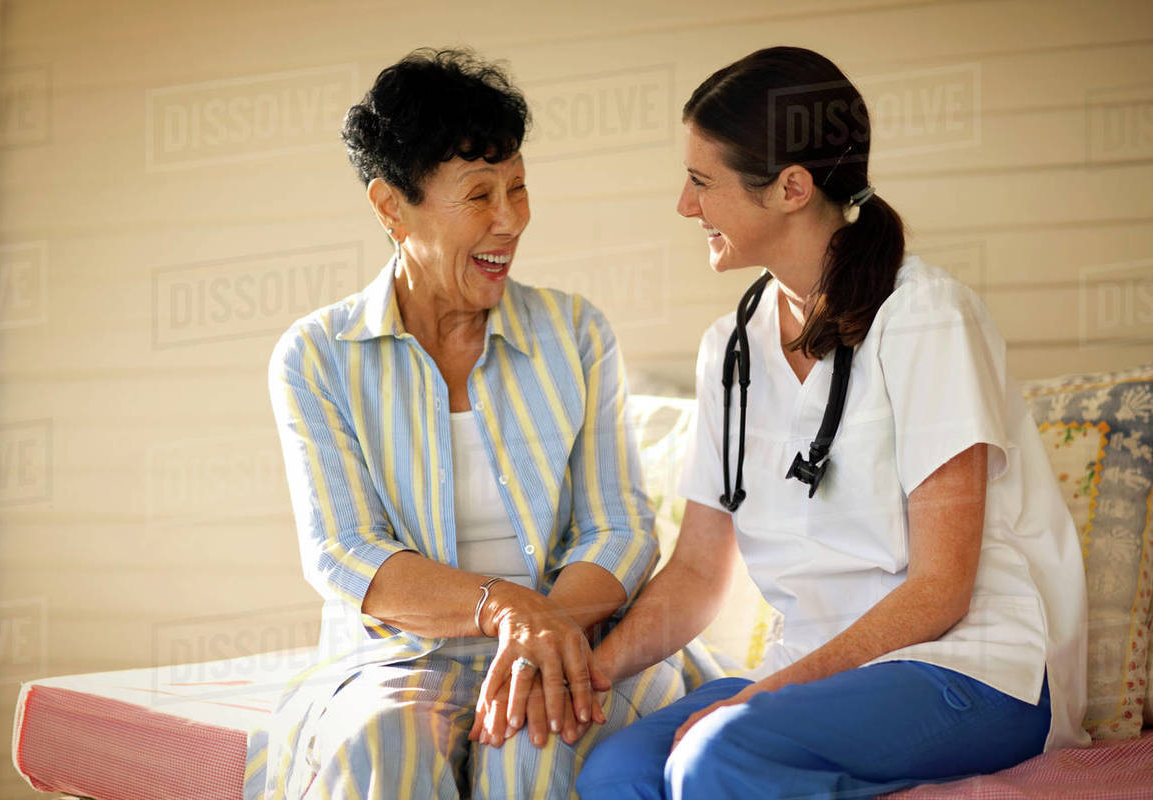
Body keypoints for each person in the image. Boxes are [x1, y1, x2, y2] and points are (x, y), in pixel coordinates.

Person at [575, 46, 1089, 799]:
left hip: (967, 664)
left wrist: (765, 700)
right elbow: (694, 573)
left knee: (720, 755)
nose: (686, 206)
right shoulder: (730, 348)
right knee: (614, 770)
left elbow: (941, 589)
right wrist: (591, 671)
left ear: (790, 187)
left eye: (701, 182)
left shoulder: (925, 317)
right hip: (814, 671)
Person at [261, 48, 717, 800]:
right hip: (404, 656)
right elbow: (346, 552)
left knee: (532, 746)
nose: (510, 221)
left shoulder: (574, 332)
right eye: (479, 195)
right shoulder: (317, 356)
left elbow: (621, 527)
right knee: (383, 749)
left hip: (580, 638)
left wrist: (544, 634)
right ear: (390, 206)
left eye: (519, 188)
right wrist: (502, 609)